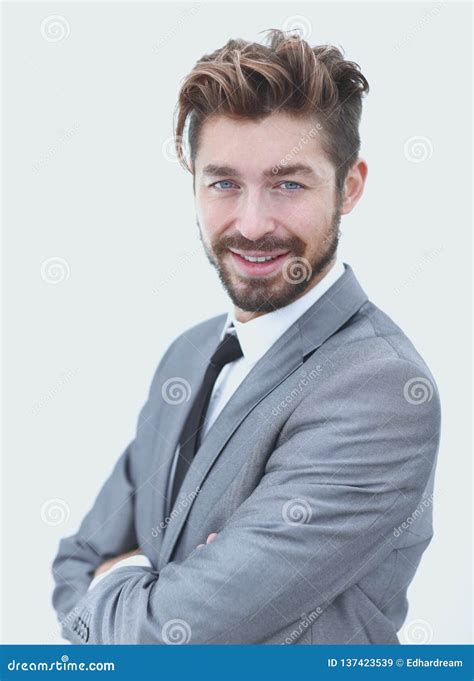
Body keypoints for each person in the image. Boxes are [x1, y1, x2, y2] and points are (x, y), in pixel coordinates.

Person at [52, 29, 441, 645]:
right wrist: (151, 583)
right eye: (224, 182)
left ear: (350, 186)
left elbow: (170, 640)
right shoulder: (189, 354)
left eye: (289, 184)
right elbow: (74, 562)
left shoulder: (380, 389)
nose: (253, 224)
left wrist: (127, 579)